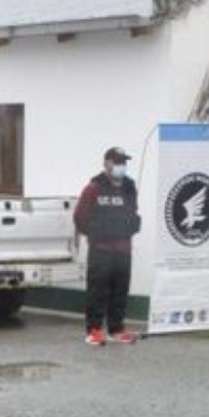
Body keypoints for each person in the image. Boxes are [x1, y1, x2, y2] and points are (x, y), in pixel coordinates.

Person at [73, 146, 142, 345]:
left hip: (123, 250)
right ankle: (94, 331)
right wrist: (96, 234)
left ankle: (116, 329)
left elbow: (132, 212)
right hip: (101, 250)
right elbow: (79, 216)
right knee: (97, 292)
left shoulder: (129, 186)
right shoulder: (94, 187)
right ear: (107, 163)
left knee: (120, 291)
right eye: (118, 162)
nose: (122, 166)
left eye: (124, 162)